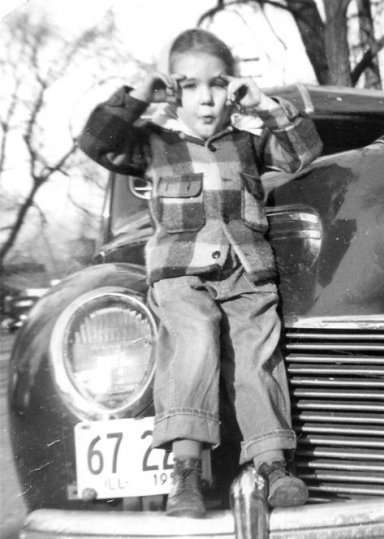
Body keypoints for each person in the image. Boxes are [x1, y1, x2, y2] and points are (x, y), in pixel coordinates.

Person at [78, 28, 323, 517]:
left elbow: (303, 150)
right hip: (180, 276)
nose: (206, 98)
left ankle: (273, 465)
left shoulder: (248, 144)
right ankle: (185, 471)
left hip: (246, 274)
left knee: (258, 356)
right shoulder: (153, 144)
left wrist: (264, 102)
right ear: (173, 91)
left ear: (231, 88)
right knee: (194, 342)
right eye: (189, 85)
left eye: (217, 84)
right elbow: (96, 142)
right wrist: (137, 96)